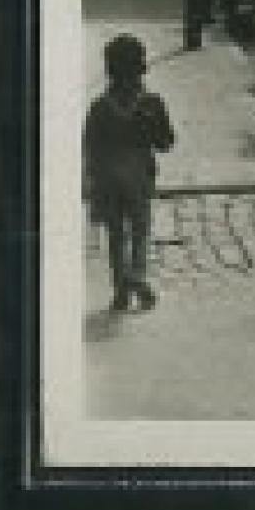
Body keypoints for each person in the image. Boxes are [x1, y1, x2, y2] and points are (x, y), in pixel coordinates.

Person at [83, 34, 176, 312]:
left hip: (108, 179)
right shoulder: (151, 103)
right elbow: (166, 142)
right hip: (138, 176)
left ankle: (120, 288)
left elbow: (89, 145)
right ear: (141, 69)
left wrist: (91, 179)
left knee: (115, 233)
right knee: (140, 229)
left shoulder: (99, 107)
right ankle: (138, 276)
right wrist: (149, 128)